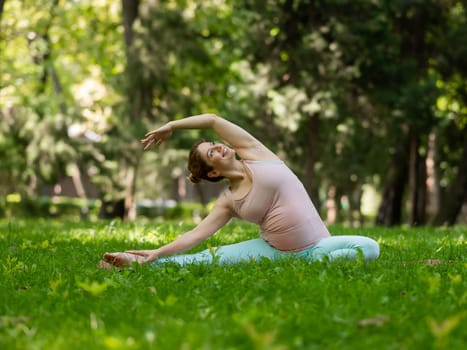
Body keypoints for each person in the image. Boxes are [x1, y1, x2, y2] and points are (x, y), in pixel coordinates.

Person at [100, 114, 379, 268]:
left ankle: (314, 264)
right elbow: (196, 235)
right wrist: (158, 251)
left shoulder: (257, 154)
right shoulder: (228, 201)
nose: (219, 145)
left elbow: (212, 120)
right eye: (212, 151)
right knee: (202, 260)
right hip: (275, 251)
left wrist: (173, 126)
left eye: (214, 144)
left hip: (317, 246)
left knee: (369, 246)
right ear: (212, 172)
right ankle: (136, 262)